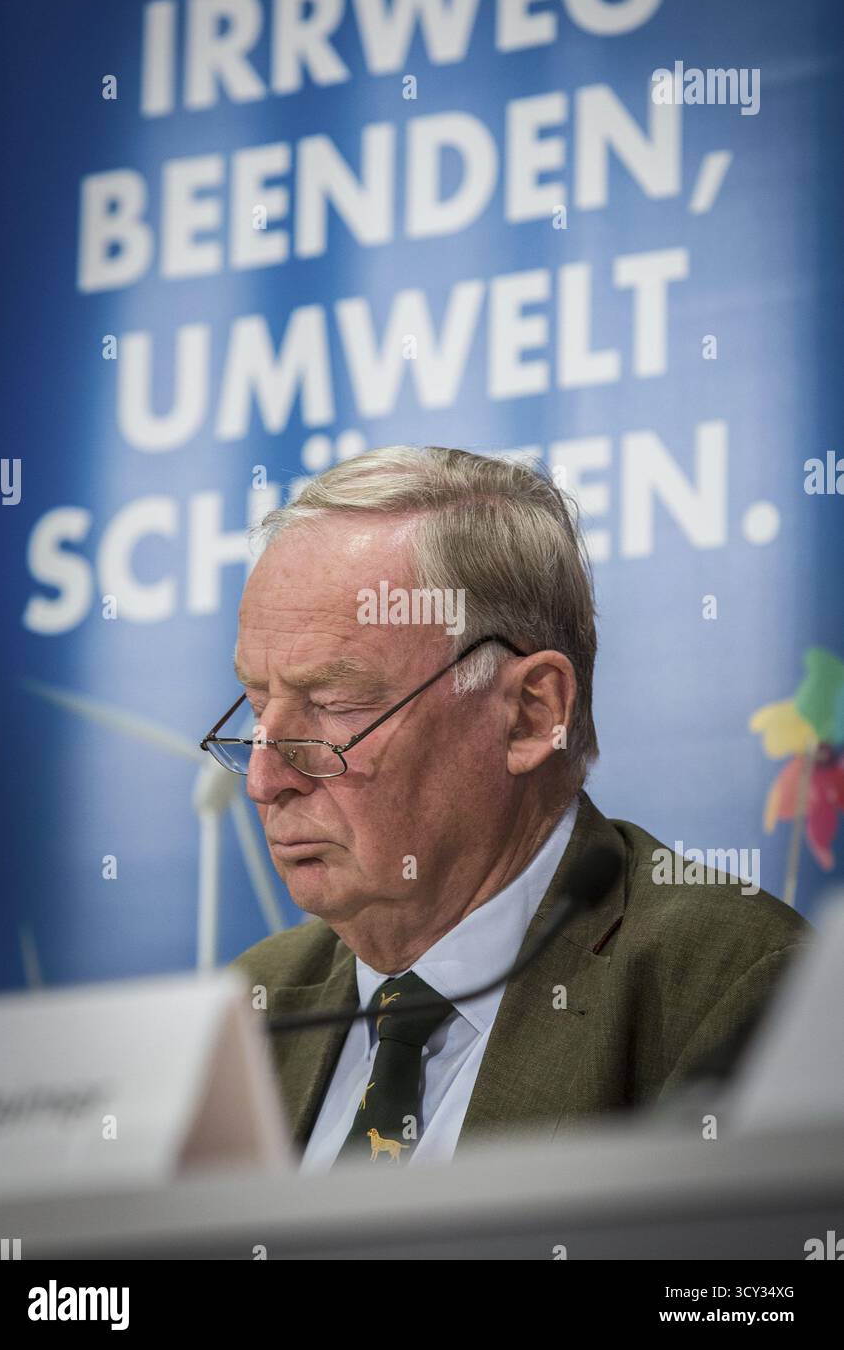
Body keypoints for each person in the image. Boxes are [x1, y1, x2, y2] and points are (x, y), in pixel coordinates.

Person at [206, 445, 808, 1168]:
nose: (264, 780)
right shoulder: (246, 1007)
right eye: (260, 707)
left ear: (527, 714)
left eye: (335, 707)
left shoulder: (737, 991)